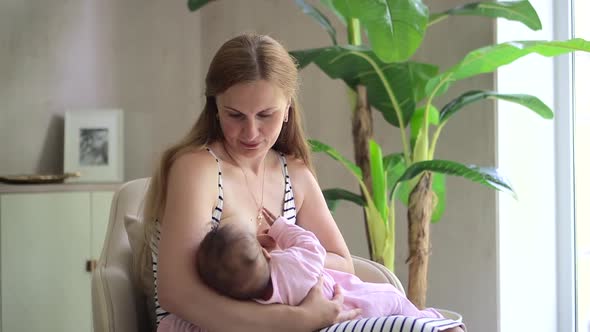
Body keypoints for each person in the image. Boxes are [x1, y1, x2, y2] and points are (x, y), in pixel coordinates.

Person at [139, 33, 361, 332]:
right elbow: (177, 293)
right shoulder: (198, 169)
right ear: (215, 109)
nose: (251, 133)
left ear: (287, 111)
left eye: (266, 115)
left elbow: (343, 262)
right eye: (235, 115)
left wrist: (279, 261)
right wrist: (293, 319)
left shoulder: (294, 174)